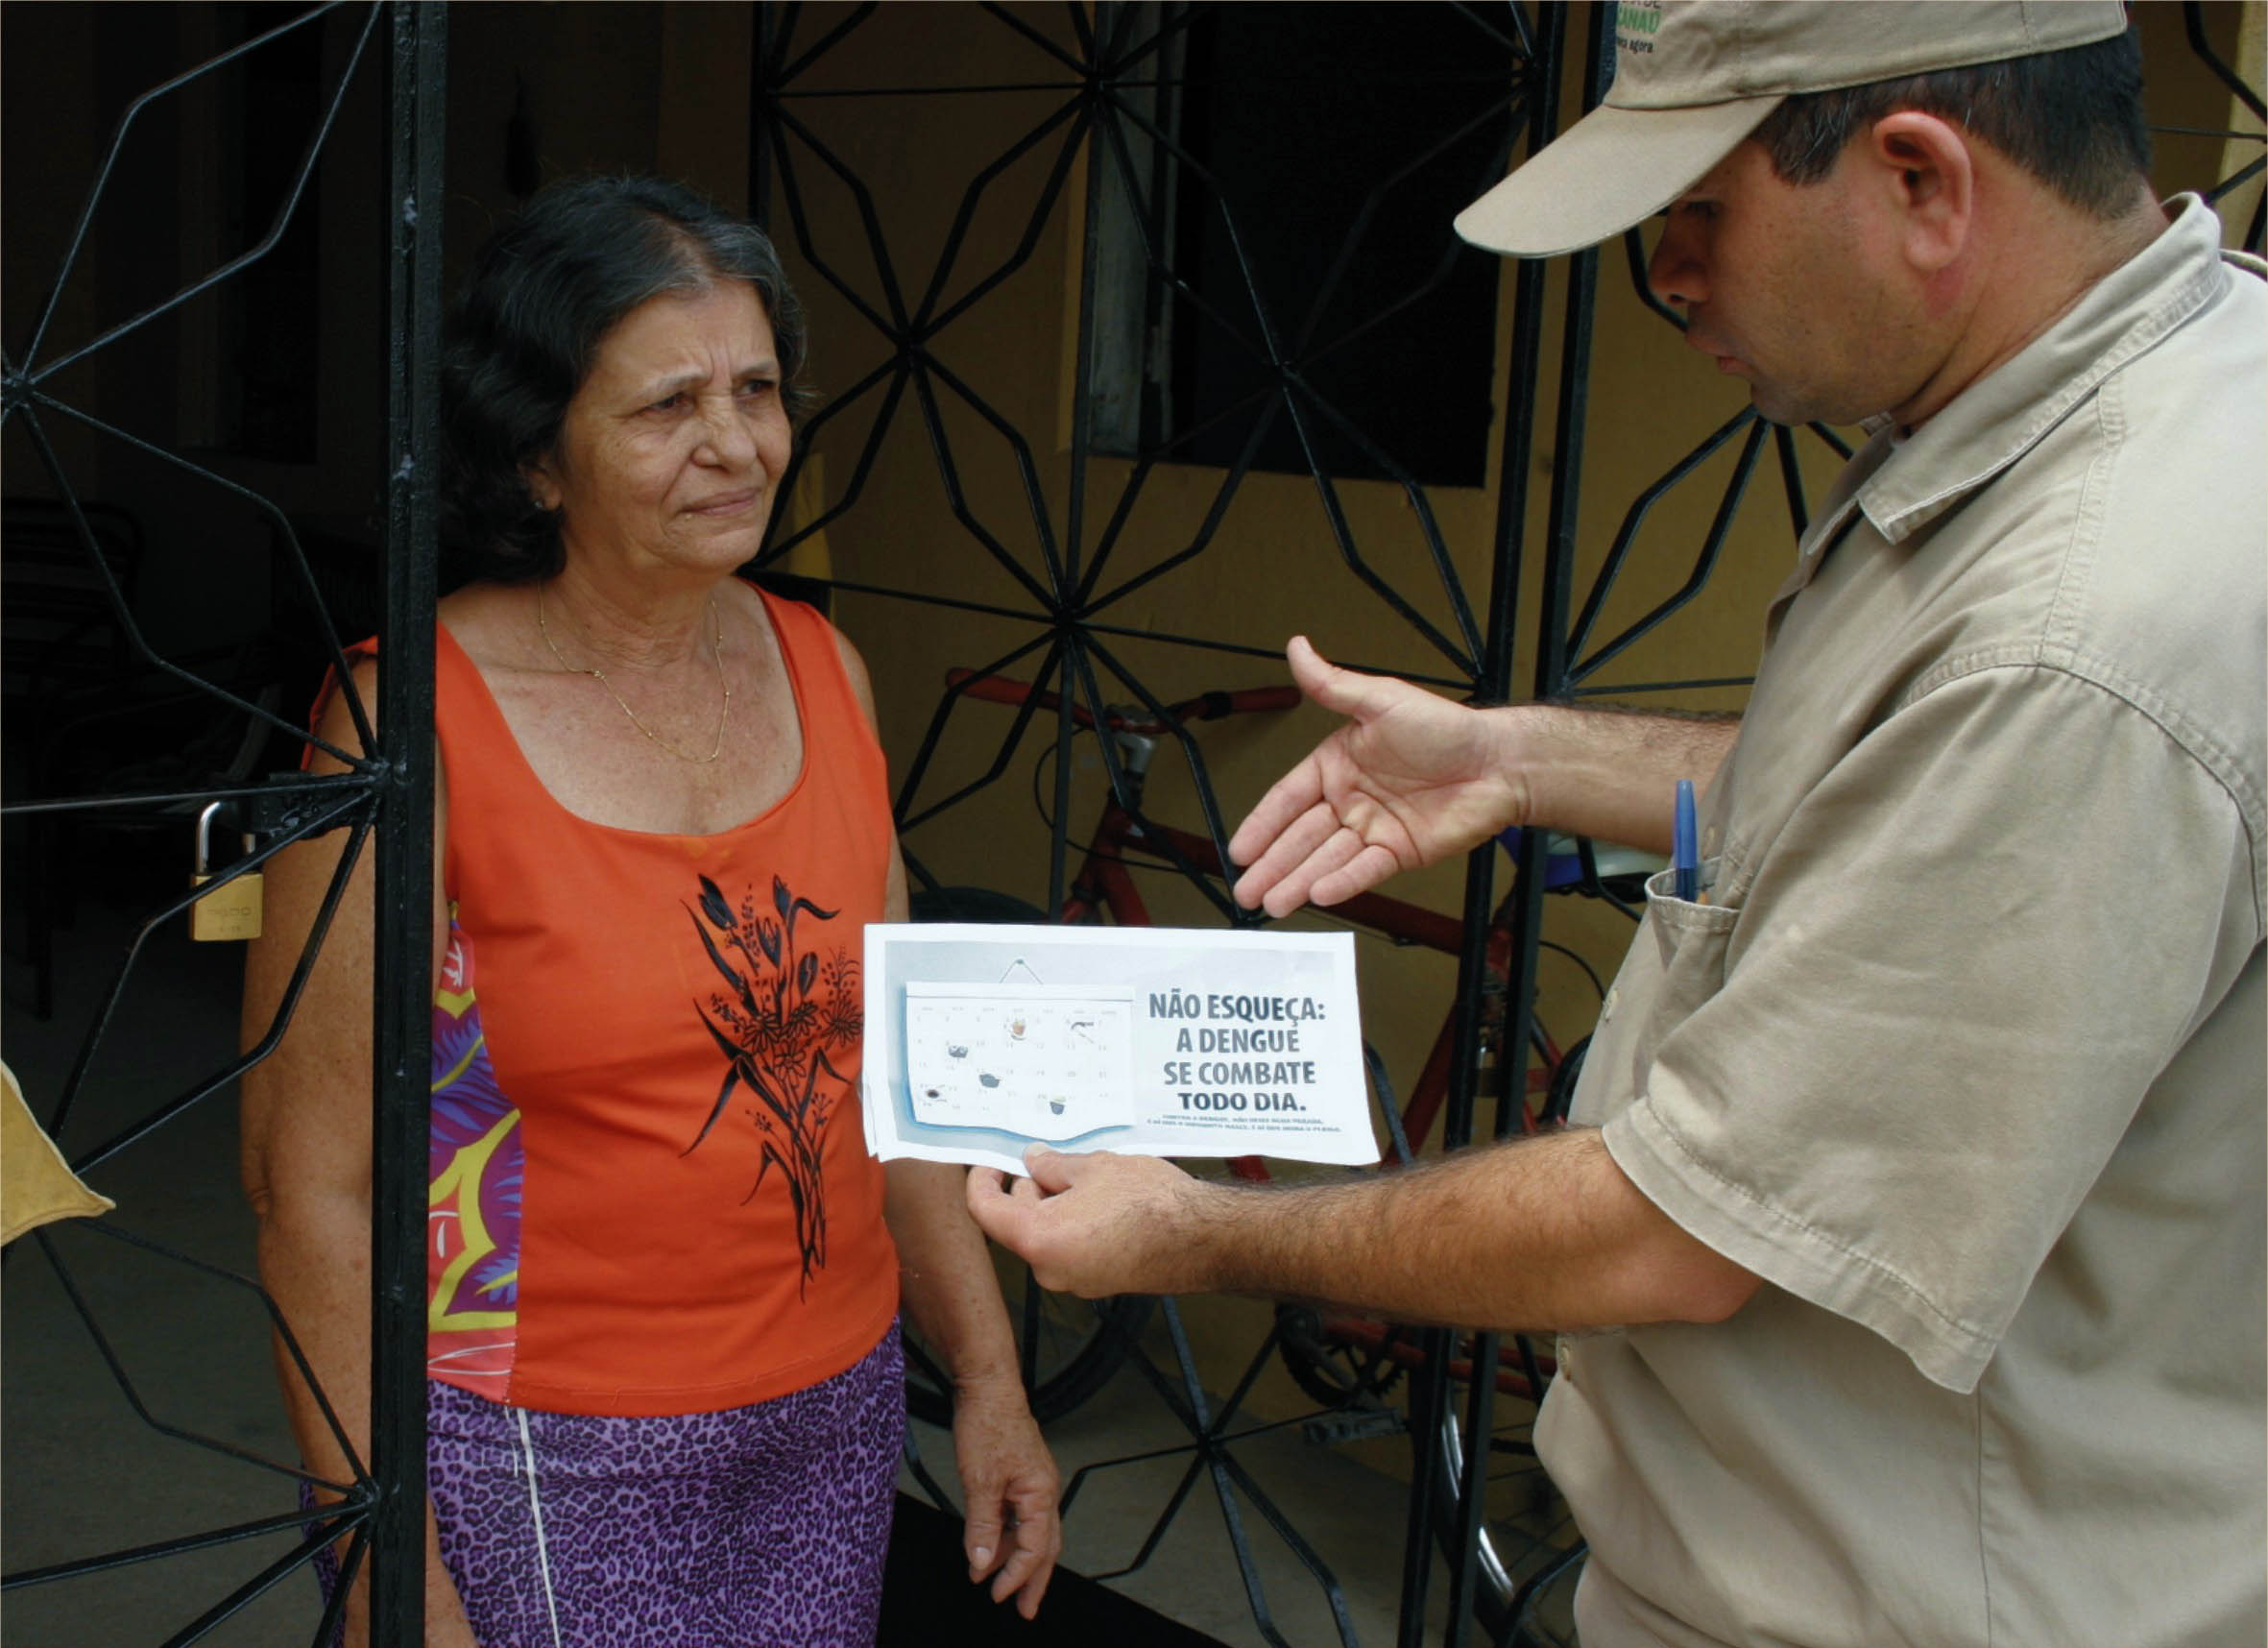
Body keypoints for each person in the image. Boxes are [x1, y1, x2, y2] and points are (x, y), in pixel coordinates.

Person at [971, 5, 2266, 1644]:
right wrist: (1517, 761)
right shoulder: (2128, 402)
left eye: (1697, 214)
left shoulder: (2081, 629)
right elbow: (1876, 809)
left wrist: (1203, 1231)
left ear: (1922, 182)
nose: (1661, 277)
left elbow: (1676, 1231)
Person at [241, 175, 1059, 1647]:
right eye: (666, 405)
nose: (735, 445)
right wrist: (385, 1568)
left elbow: (902, 1075)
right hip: (535, 1447)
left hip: (831, 1410)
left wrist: (987, 1382)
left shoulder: (826, 668)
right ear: (537, 460)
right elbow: (307, 1185)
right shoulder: (402, 728)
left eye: (756, 389)